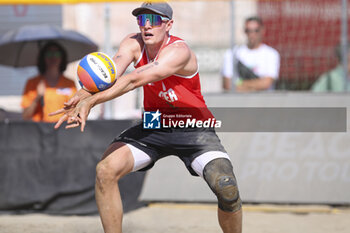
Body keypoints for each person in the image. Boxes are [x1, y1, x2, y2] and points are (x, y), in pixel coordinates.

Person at [51, 2, 242, 233]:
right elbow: (109, 77)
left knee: (226, 187)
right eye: (142, 20)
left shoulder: (179, 51)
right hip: (154, 124)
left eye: (155, 20)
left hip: (192, 126)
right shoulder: (133, 43)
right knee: (105, 170)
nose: (147, 26)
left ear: (169, 25)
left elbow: (132, 81)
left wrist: (90, 101)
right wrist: (79, 96)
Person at [21, 41, 77, 122]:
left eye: (57, 54)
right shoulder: (32, 83)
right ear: (43, 58)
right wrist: (37, 97)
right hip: (40, 130)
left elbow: (75, 110)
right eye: (49, 54)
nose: (53, 57)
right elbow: (25, 116)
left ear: (62, 57)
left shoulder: (70, 83)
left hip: (63, 129)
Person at [221, 16, 280, 92]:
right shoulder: (232, 53)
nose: (252, 34)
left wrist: (239, 84)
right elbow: (228, 84)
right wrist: (258, 84)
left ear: (262, 31)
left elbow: (266, 83)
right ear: (244, 31)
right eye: (248, 30)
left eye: (256, 30)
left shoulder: (271, 54)